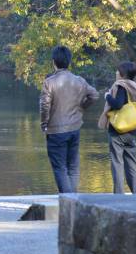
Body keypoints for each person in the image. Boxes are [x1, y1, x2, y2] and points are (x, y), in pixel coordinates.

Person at [40, 45, 98, 193]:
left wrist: (44, 123)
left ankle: (68, 201)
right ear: (69, 61)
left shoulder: (49, 82)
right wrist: (81, 107)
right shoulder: (79, 81)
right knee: (72, 167)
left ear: (54, 62)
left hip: (56, 130)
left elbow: (45, 105)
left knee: (60, 167)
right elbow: (94, 95)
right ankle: (73, 200)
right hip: (74, 128)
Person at [98, 61, 136, 194]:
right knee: (131, 163)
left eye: (117, 71)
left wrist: (107, 96)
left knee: (117, 163)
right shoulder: (135, 87)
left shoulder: (121, 86)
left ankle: (119, 194)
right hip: (132, 131)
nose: (116, 73)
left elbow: (118, 104)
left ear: (122, 74)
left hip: (118, 131)